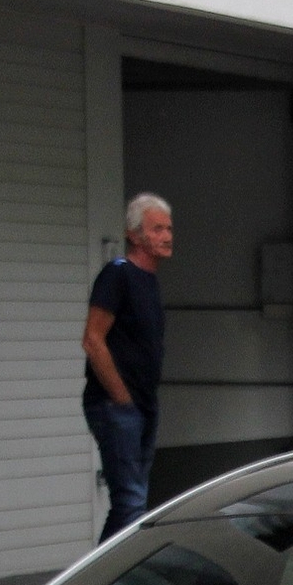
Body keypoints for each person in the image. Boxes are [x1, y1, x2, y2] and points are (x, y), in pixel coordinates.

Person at [81, 192, 172, 542]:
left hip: (144, 404)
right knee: (130, 503)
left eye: (168, 228)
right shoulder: (117, 275)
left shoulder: (150, 282)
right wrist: (121, 398)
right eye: (157, 229)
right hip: (116, 407)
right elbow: (92, 339)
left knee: (133, 506)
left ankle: (103, 581)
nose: (166, 236)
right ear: (135, 235)